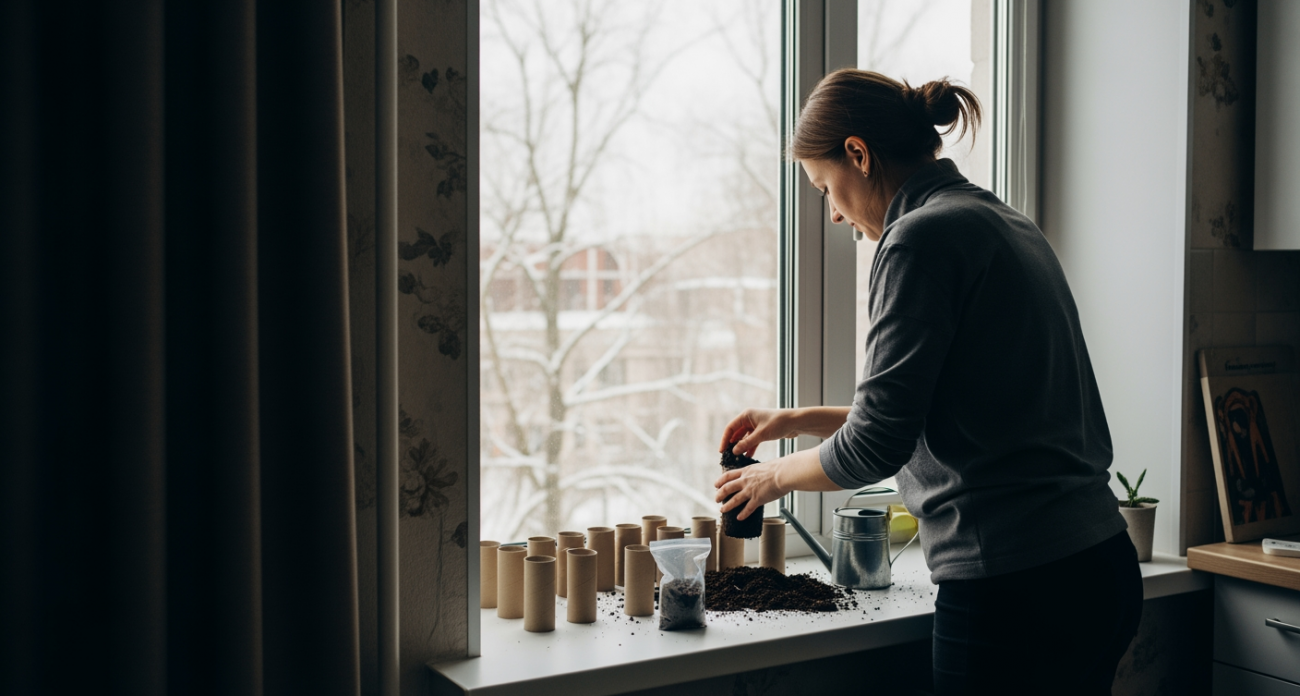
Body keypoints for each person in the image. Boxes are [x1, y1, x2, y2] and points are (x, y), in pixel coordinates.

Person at [713, 69, 1142, 695]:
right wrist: (799, 419)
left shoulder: (918, 240)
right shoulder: (1000, 221)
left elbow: (876, 445)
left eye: (825, 187)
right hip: (1097, 566)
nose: (832, 213)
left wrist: (770, 478)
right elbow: (951, 408)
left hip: (1016, 587)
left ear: (858, 154)